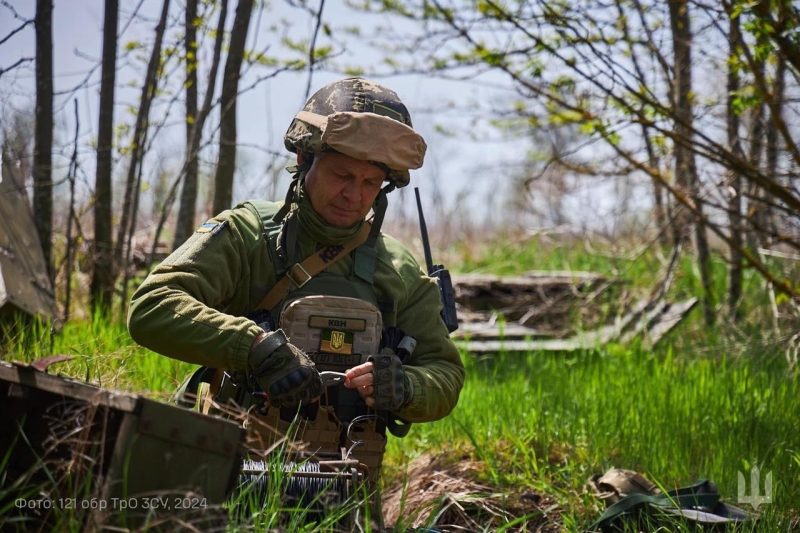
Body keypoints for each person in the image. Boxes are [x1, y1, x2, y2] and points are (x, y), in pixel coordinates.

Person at [127, 77, 465, 507]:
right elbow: (151, 306)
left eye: (369, 182)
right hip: (222, 477)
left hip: (344, 493)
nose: (354, 194)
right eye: (342, 174)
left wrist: (403, 387)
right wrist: (252, 346)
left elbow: (446, 374)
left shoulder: (397, 270)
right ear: (306, 159)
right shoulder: (248, 235)